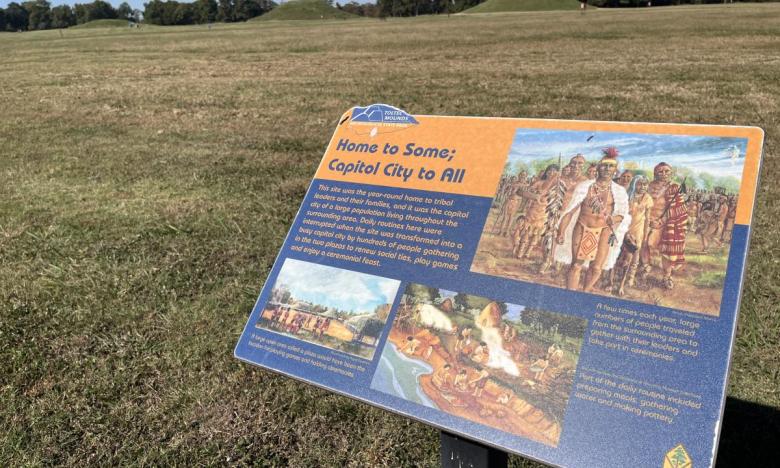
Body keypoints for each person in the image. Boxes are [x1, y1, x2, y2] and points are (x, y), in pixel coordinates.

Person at [555, 148, 630, 292]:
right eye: (604, 165)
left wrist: (613, 218)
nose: (607, 169)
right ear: (598, 168)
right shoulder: (585, 186)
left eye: (611, 166)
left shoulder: (619, 191)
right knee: (576, 264)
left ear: (615, 170)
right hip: (583, 226)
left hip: (604, 230)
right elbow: (570, 211)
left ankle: (585, 292)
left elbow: (622, 214)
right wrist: (561, 231)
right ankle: (570, 294)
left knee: (596, 268)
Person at [639, 162, 688, 289]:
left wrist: (661, 221)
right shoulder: (648, 186)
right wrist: (647, 219)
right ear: (655, 173)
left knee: (666, 251)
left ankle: (667, 276)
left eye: (667, 171)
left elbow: (678, 209)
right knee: (643, 243)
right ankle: (645, 267)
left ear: (671, 173)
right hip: (646, 221)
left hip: (665, 224)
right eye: (660, 171)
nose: (664, 174)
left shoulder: (674, 187)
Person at [614, 175, 654, 295]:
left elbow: (647, 218)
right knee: (619, 252)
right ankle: (614, 274)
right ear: (634, 184)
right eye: (640, 184)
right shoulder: (627, 196)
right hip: (624, 228)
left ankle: (630, 277)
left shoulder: (648, 198)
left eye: (645, 185)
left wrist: (646, 233)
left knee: (635, 254)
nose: (642, 187)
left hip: (638, 230)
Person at [513, 164, 561, 260]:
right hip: (532, 211)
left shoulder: (557, 187)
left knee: (536, 234)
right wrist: (534, 196)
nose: (551, 173)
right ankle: (520, 251)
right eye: (550, 171)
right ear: (546, 172)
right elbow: (521, 192)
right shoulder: (539, 183)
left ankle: (528, 253)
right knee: (527, 232)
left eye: (554, 171)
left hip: (544, 213)